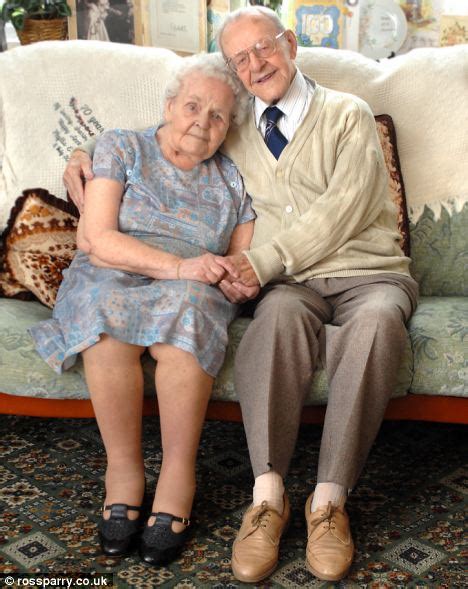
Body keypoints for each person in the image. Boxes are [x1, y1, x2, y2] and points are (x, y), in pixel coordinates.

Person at [64, 6, 419, 583]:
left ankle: (329, 503)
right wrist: (81, 159)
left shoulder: (347, 115)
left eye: (265, 48)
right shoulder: (235, 129)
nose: (256, 64)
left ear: (291, 45)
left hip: (367, 273)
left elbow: (342, 209)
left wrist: (255, 264)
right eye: (241, 58)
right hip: (290, 286)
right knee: (273, 325)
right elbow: (164, 143)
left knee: (378, 326)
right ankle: (268, 498)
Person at [31, 53, 255, 567]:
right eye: (193, 106)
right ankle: (124, 472)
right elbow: (98, 237)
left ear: (227, 131)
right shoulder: (122, 146)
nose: (202, 121)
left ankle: (178, 475)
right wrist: (178, 267)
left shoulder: (231, 181)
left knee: (194, 315)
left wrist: (240, 280)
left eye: (218, 116)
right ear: (169, 105)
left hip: (193, 283)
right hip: (117, 267)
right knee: (107, 321)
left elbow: (242, 260)